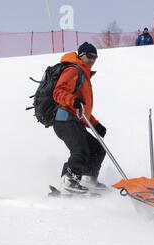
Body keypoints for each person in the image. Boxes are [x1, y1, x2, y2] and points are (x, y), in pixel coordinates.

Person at [53, 42, 107, 194]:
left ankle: (87, 179)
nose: (92, 60)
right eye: (89, 56)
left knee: (97, 149)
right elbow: (58, 92)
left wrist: (95, 124)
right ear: (81, 55)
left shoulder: (83, 75)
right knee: (80, 150)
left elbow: (82, 109)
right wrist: (72, 100)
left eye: (95, 57)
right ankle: (69, 181)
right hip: (64, 120)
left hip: (74, 120)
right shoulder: (73, 70)